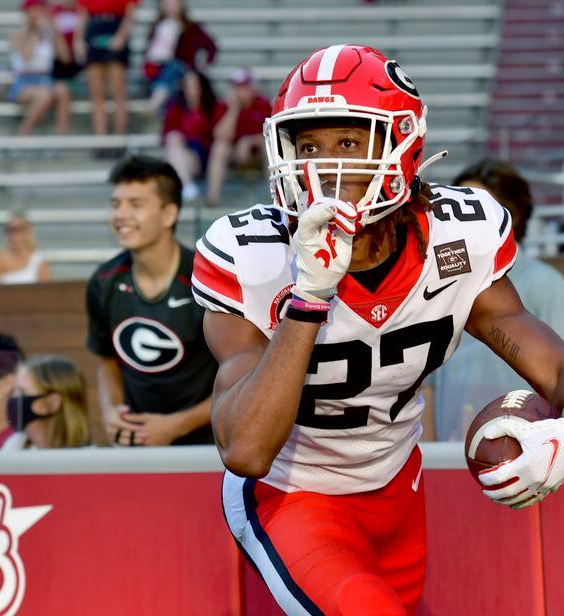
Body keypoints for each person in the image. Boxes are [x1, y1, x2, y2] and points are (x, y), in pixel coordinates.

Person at [191, 45, 564, 614]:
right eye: (308, 145)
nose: (323, 167)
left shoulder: (457, 237)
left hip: (395, 485)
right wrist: (309, 298)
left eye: (347, 142)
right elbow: (244, 448)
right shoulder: (253, 253)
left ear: (401, 145)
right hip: (292, 494)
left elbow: (548, 363)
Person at [85, 154, 218, 447]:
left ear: (169, 214)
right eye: (116, 204)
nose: (121, 215)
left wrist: (175, 426)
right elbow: (107, 361)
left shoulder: (209, 280)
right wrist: (111, 412)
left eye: (136, 204)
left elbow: (242, 377)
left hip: (210, 450)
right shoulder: (104, 282)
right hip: (138, 449)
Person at [431, 159, 564, 441]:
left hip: (524, 448)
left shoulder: (544, 282)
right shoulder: (437, 280)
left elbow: (558, 374)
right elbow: (428, 379)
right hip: (449, 445)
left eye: (475, 209)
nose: (461, 219)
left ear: (511, 216)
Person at [205, 68, 272, 207]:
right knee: (220, 148)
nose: (241, 91)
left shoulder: (263, 104)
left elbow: (272, 133)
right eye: (238, 87)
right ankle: (213, 199)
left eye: (245, 86)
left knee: (268, 145)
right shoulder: (224, 105)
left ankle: (273, 196)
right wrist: (233, 109)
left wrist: (248, 141)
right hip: (234, 155)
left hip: (256, 155)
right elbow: (219, 135)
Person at [74, 0, 139, 136]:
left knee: (118, 91)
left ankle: (119, 138)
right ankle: (101, 139)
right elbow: (83, 16)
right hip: (94, 30)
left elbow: (131, 14)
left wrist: (121, 37)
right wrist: (78, 40)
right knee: (96, 93)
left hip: (116, 27)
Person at [8, 0, 72, 136]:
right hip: (25, 80)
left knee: (63, 90)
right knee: (44, 95)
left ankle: (61, 139)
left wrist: (54, 31)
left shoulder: (50, 34)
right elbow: (26, 56)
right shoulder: (17, 34)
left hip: (46, 79)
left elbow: (65, 58)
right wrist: (36, 32)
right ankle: (22, 135)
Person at [143, 0, 217, 117]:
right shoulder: (157, 27)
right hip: (160, 72)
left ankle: (155, 105)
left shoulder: (191, 28)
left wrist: (206, 63)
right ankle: (162, 114)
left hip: (183, 71)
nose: (171, 7)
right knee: (167, 80)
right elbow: (149, 52)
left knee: (175, 67)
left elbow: (211, 46)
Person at [2, 354, 90, 449]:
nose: (13, 398)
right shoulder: (15, 445)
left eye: (22, 392)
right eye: (13, 391)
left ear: (52, 403)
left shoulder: (90, 458)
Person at [162, 69, 223, 202]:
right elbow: (166, 135)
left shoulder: (213, 107)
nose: (192, 91)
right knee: (173, 139)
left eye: (195, 86)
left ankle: (191, 189)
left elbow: (221, 134)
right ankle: (188, 186)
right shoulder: (176, 108)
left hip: (209, 156)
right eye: (188, 86)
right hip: (187, 156)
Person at [0, 214, 52, 284]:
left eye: (19, 230)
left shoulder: (39, 259)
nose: (14, 235)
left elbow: (45, 290)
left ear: (28, 231)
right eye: (10, 230)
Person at [50, 0, 84, 81]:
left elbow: (80, 32)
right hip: (61, 51)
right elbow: (56, 33)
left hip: (76, 50)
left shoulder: (81, 9)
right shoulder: (54, 10)